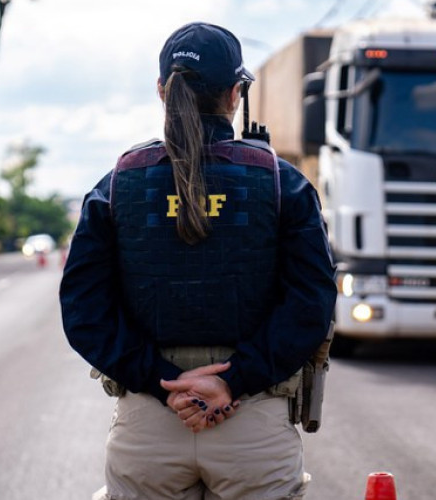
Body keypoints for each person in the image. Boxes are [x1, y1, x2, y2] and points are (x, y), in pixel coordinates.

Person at [60, 21, 337, 500]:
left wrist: (163, 381)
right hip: (253, 424)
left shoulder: (117, 185)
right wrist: (234, 380)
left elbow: (83, 309)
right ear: (234, 94)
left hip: (149, 426)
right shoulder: (283, 184)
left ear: (162, 91)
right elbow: (312, 302)